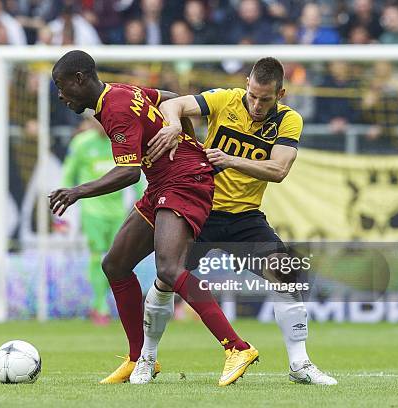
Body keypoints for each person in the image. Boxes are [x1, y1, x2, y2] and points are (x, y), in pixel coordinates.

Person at [49, 50, 258, 386]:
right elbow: (175, 99)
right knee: (115, 264)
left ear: (80, 79)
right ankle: (137, 358)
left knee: (169, 268)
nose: (60, 95)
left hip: (184, 181)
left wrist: (76, 191)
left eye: (61, 86)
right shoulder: (119, 91)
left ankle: (237, 347)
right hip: (164, 183)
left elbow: (129, 173)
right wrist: (182, 131)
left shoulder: (115, 108)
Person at [135, 57, 337, 385]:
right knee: (166, 279)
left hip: (245, 218)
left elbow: (279, 170)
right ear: (246, 84)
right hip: (200, 210)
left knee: (285, 272)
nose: (256, 105)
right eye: (253, 96)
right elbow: (175, 103)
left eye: (265, 99)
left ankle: (300, 365)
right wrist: (173, 125)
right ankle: (147, 359)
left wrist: (230, 160)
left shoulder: (289, 121)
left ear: (281, 94)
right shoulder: (224, 99)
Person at [62, 118, 133, 325]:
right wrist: (63, 211)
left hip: (118, 211)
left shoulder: (121, 142)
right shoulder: (81, 143)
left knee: (118, 261)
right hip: (92, 210)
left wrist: (142, 199)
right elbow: (69, 174)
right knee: (97, 257)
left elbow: (135, 173)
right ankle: (100, 305)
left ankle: (106, 304)